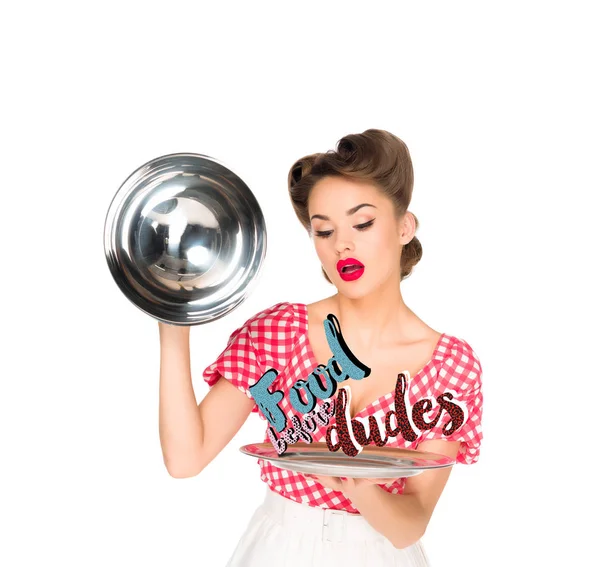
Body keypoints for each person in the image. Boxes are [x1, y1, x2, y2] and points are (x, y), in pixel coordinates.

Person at [157, 129, 484, 566]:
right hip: (279, 548)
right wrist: (173, 318)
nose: (341, 244)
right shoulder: (279, 333)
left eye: (362, 223)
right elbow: (186, 458)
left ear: (404, 227)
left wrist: (350, 481)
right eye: (323, 230)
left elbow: (411, 522)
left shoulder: (450, 367)